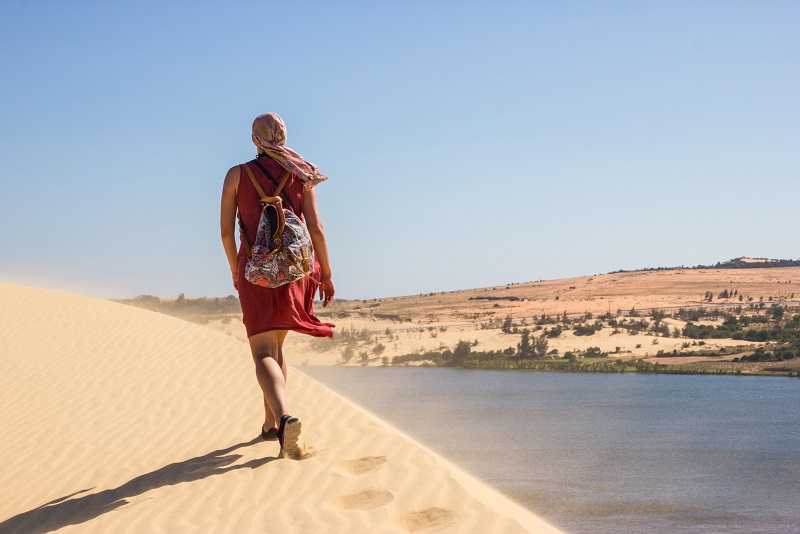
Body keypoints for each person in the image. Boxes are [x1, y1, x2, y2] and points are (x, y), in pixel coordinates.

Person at [220, 112, 335, 459]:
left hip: (255, 271)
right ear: (283, 136)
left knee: (262, 352)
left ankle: (283, 417)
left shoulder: (236, 175)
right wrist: (326, 274)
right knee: (277, 348)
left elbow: (226, 231)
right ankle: (270, 424)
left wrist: (234, 270)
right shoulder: (302, 174)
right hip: (296, 272)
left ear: (255, 138)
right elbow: (315, 229)